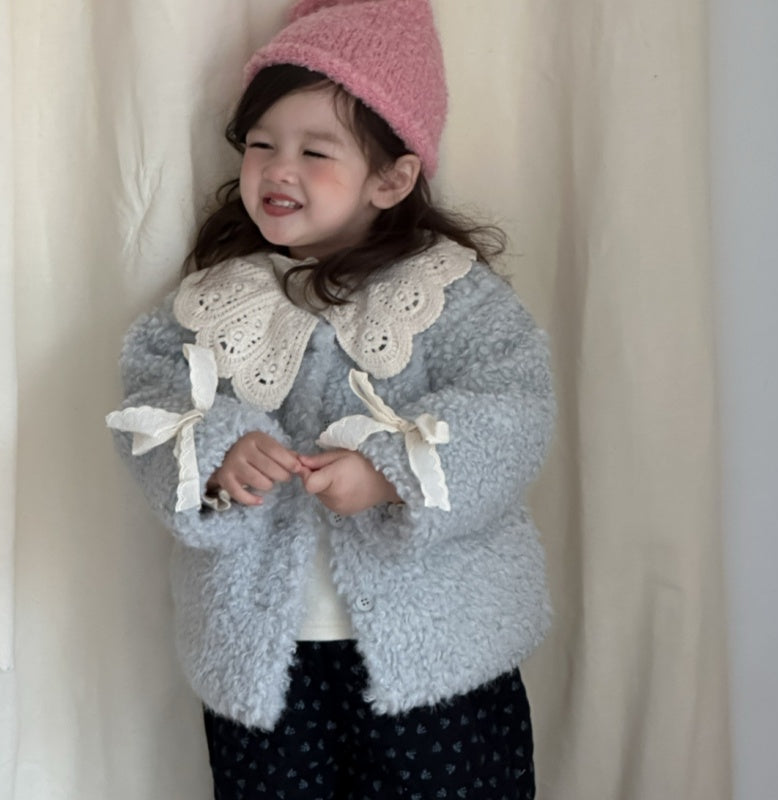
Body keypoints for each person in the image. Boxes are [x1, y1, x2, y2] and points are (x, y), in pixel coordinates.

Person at [106, 1, 556, 798]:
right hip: (262, 669)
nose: (279, 169)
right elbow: (150, 408)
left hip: (440, 659)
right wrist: (222, 454)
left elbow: (514, 409)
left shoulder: (450, 293)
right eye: (261, 145)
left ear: (392, 178)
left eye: (315, 151)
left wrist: (393, 471)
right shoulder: (211, 300)